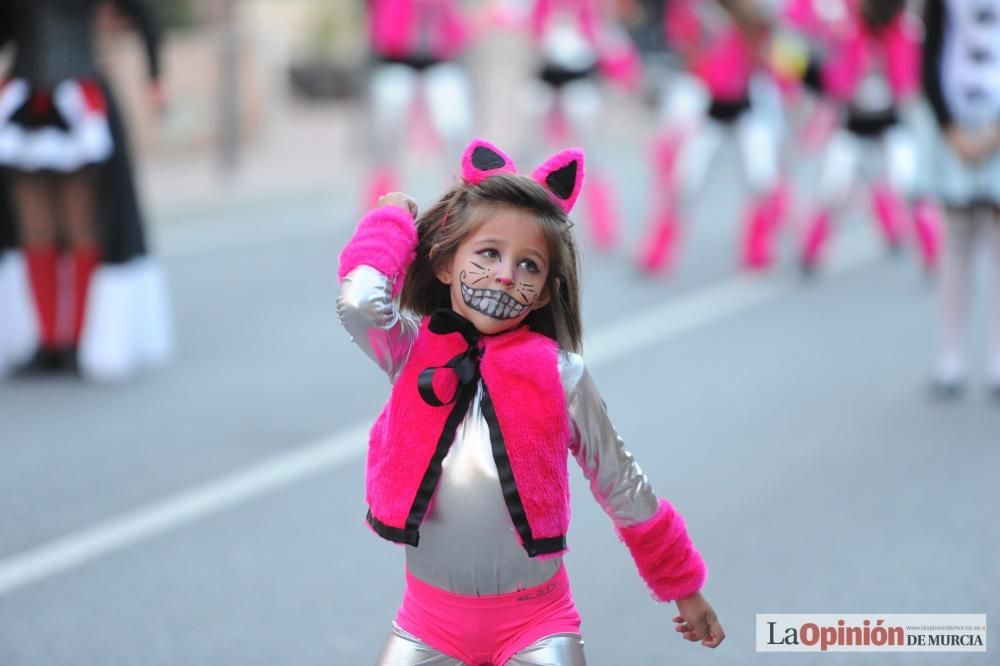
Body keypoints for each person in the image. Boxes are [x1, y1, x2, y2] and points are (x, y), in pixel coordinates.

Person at [337, 137, 724, 664]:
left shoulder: (561, 374)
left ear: (544, 293)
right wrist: (390, 223)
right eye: (489, 253)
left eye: (529, 266)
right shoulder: (409, 350)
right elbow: (360, 302)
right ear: (446, 265)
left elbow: (623, 484)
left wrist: (683, 584)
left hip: (537, 624)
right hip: (427, 622)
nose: (505, 274)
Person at [0, 0, 173, 380]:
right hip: (25, 102)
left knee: (82, 223)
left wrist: (156, 79)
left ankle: (78, 339)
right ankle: (47, 341)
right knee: (33, 224)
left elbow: (145, 16)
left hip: (80, 100)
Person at [637, 0, 790, 275]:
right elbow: (686, 51)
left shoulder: (752, 18)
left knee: (761, 179)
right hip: (712, 110)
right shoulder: (699, 14)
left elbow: (775, 55)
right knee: (686, 184)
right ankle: (658, 251)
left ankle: (758, 248)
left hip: (746, 110)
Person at [787, 0, 939, 274]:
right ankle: (810, 253)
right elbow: (824, 72)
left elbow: (911, 83)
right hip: (853, 125)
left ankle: (932, 254)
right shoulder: (846, 31)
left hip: (890, 125)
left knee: (911, 187)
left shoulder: (906, 33)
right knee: (831, 189)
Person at [921, 0, 1000, 399]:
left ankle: (997, 359)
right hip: (956, 125)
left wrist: (993, 136)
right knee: (958, 238)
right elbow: (930, 53)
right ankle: (950, 357)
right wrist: (951, 131)